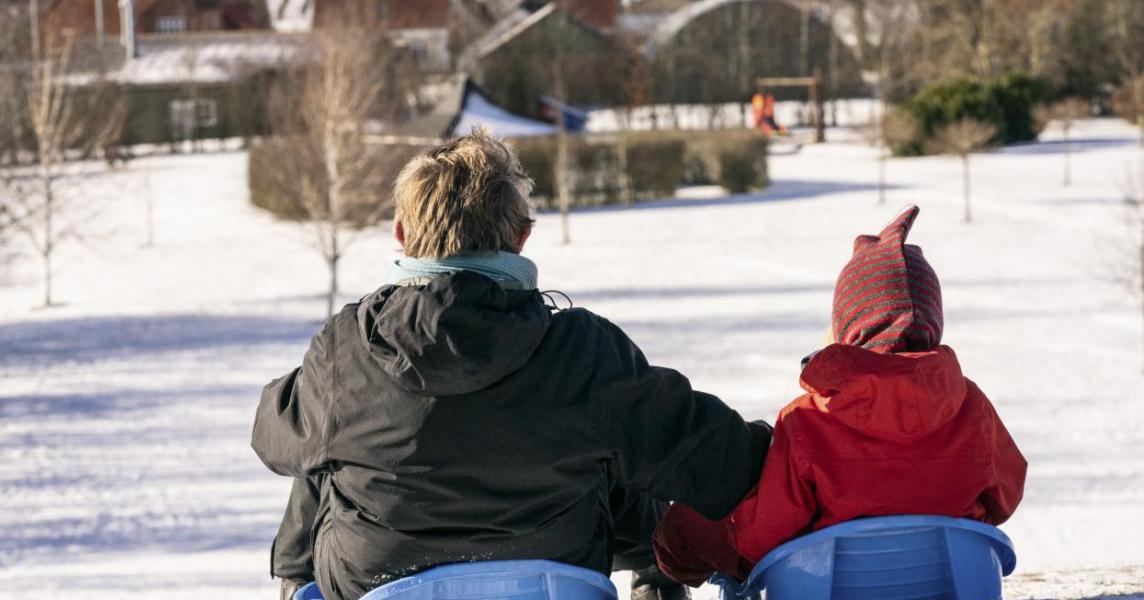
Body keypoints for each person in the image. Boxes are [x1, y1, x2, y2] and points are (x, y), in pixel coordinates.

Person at [251, 129, 774, 600]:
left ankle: (292, 588)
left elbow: (272, 438)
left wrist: (321, 388)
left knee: (324, 449)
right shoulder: (583, 352)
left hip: (378, 586)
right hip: (551, 586)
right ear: (522, 238)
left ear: (402, 236)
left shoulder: (348, 351)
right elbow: (725, 462)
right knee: (608, 438)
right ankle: (654, 577)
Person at [652, 206, 1028, 586]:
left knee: (683, 527)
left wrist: (695, 534)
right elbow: (1006, 495)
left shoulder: (807, 419)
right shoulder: (972, 405)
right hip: (950, 587)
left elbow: (765, 533)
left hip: (833, 589)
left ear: (847, 323)